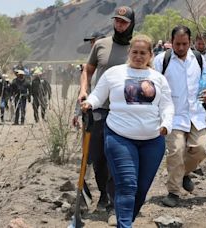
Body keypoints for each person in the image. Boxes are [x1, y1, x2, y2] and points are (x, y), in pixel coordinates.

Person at [81, 34, 174, 228]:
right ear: (129, 52)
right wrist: (89, 102)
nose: (138, 56)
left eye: (143, 53)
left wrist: (166, 123)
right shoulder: (114, 73)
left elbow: (167, 106)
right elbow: (98, 95)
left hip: (153, 140)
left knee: (140, 190)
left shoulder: (158, 78)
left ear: (150, 55)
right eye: (135, 52)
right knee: (127, 185)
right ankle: (125, 225)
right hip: (120, 137)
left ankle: (125, 219)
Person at [78, 6, 135, 215]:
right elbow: (88, 70)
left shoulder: (135, 48)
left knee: (117, 156)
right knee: (98, 156)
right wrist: (84, 90)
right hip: (99, 109)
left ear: (131, 24)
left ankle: (113, 201)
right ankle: (103, 192)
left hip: (125, 111)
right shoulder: (101, 45)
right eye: (117, 21)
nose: (119, 25)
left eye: (124, 22)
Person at [154, 25, 206, 207]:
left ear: (190, 43)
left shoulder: (198, 59)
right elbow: (154, 84)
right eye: (177, 44)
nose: (181, 48)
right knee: (176, 151)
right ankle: (173, 192)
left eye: (184, 44)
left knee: (201, 149)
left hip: (196, 113)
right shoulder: (162, 60)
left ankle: (184, 173)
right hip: (172, 115)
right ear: (171, 42)